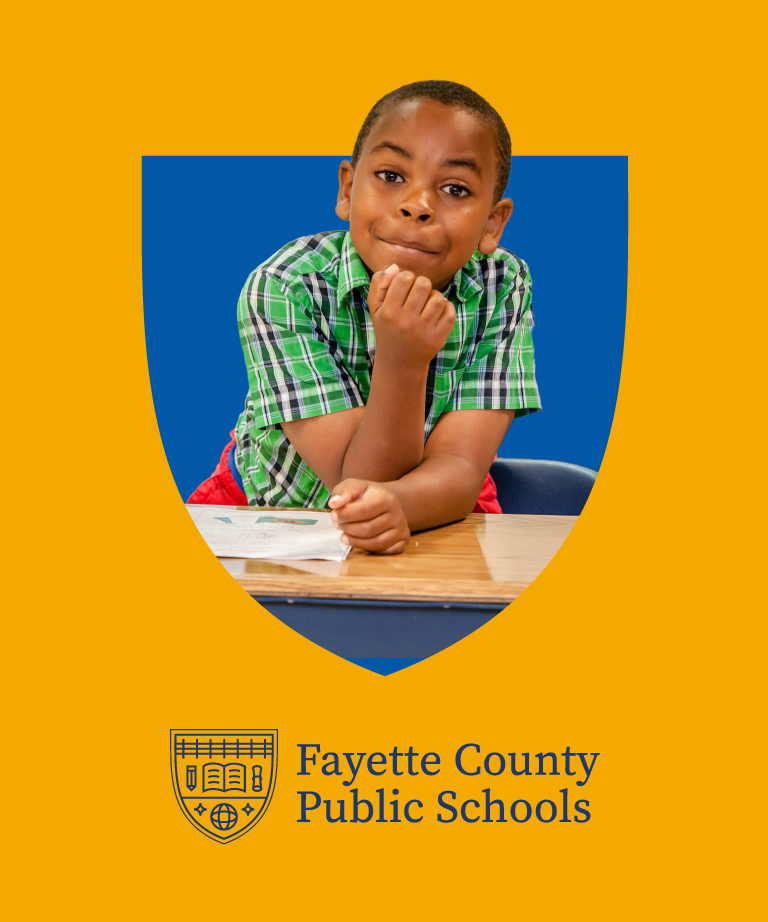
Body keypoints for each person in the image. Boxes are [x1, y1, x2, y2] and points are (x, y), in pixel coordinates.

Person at [189, 80, 541, 554]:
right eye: (392, 176)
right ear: (348, 189)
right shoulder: (284, 286)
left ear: (493, 223)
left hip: (435, 501)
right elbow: (354, 483)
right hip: (271, 510)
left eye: (454, 188)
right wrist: (404, 359)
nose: (418, 205)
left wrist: (403, 502)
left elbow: (459, 465)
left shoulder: (502, 284)